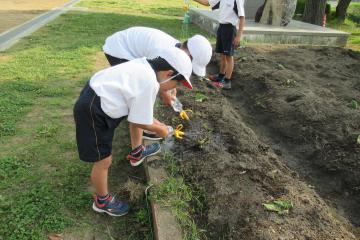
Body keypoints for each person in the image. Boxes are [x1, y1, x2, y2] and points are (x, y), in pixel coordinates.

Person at [73, 47, 193, 216]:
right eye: (178, 83)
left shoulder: (144, 66)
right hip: (94, 111)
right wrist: (161, 130)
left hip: (98, 97)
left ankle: (137, 152)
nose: (176, 88)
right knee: (103, 160)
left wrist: (154, 123)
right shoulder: (149, 83)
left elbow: (139, 113)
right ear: (169, 73)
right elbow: (138, 120)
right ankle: (102, 201)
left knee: (107, 152)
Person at [103, 26, 212, 105]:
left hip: (128, 47)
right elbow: (150, 78)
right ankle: (140, 122)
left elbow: (165, 76)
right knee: (137, 86)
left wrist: (171, 87)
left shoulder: (176, 49)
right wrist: (165, 92)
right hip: (119, 49)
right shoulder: (160, 51)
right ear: (189, 55)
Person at [193, 0, 245, 89]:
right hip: (222, 27)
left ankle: (227, 81)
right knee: (222, 54)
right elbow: (207, 3)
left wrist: (239, 36)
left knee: (229, 55)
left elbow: (242, 17)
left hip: (230, 29)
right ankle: (221, 76)